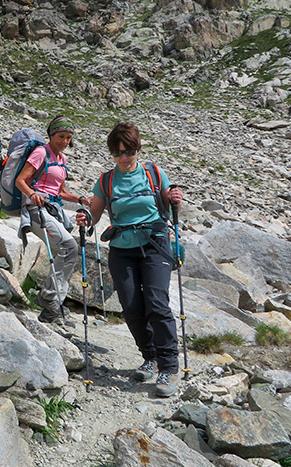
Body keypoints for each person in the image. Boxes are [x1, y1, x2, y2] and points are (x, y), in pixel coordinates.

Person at [75, 122, 184, 398]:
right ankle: (150, 356)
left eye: (129, 151)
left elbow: (169, 204)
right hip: (122, 249)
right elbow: (95, 214)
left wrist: (175, 198)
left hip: (155, 244)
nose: (124, 157)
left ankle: (169, 367)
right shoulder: (106, 180)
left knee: (157, 303)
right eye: (118, 152)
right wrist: (86, 218)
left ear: (138, 149)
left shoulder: (154, 173)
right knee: (132, 306)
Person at [15, 115, 88, 325]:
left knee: (65, 252)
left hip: (53, 209)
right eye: (61, 136)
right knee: (69, 246)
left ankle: (53, 306)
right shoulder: (41, 153)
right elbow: (21, 180)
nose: (65, 141)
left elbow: (61, 192)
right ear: (51, 135)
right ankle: (49, 299)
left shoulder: (61, 159)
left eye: (68, 138)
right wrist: (32, 194)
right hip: (36, 209)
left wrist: (80, 199)